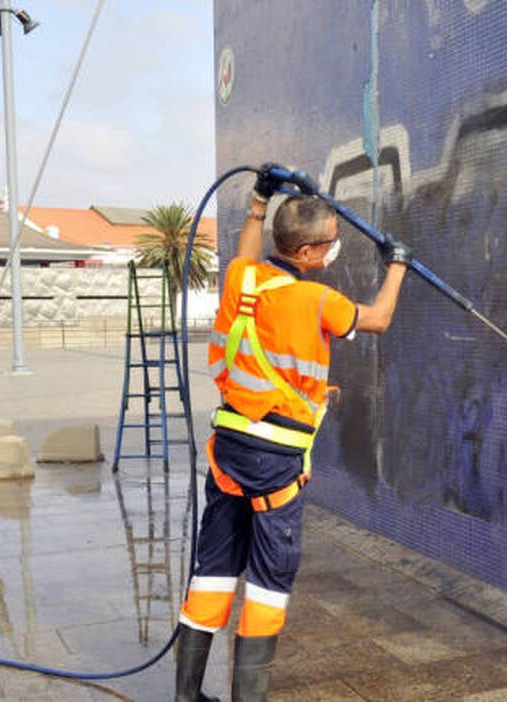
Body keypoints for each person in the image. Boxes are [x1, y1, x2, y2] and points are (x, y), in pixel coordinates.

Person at [175, 166, 409, 702]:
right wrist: (397, 267)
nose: (333, 252)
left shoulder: (243, 280)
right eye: (329, 245)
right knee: (268, 579)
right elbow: (376, 320)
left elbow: (246, 256)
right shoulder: (318, 301)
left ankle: (185, 697)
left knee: (214, 569)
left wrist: (259, 202)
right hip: (276, 462)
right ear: (305, 254)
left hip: (229, 450)